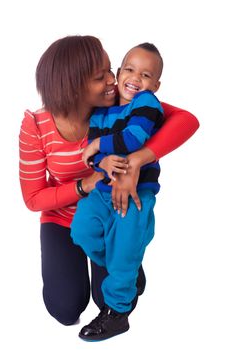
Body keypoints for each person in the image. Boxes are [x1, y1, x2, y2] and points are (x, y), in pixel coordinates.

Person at [19, 35, 199, 331]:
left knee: (112, 298)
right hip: (64, 218)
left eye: (110, 70)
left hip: (113, 209)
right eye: (100, 76)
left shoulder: (122, 103)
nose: (113, 81)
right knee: (65, 310)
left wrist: (136, 161)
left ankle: (125, 260)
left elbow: (187, 120)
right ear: (74, 86)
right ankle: (120, 258)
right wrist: (85, 185)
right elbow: (34, 199)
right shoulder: (37, 125)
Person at [70, 43, 165, 341]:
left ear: (156, 85)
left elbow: (135, 138)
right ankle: (130, 268)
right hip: (103, 190)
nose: (137, 78)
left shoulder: (147, 104)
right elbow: (93, 158)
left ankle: (117, 313)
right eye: (130, 69)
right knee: (82, 230)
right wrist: (101, 157)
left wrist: (99, 147)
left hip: (137, 193)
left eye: (147, 75)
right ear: (118, 73)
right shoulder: (100, 114)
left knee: (124, 248)